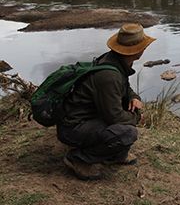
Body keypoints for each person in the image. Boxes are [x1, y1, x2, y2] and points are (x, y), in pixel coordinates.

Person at [57, 23, 155, 180]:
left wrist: (133, 97)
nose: (145, 48)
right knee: (127, 133)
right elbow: (114, 117)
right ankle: (78, 159)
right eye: (143, 46)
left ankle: (116, 156)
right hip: (73, 128)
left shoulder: (114, 60)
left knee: (126, 116)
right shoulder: (109, 76)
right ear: (137, 50)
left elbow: (125, 86)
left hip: (84, 120)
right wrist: (137, 118)